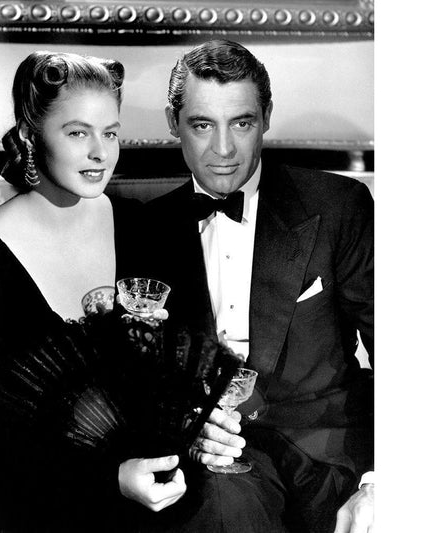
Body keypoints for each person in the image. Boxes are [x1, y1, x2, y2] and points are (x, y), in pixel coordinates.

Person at [0, 50, 222, 532]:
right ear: (30, 136)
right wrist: (112, 479)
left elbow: (184, 386)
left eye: (111, 133)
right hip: (43, 511)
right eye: (78, 133)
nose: (101, 153)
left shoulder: (140, 228)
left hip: (164, 495)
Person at [145, 40, 374, 533]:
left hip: (328, 451)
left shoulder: (339, 206)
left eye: (242, 123)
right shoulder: (145, 230)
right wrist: (188, 428)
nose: (224, 149)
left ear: (266, 117)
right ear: (172, 123)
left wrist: (384, 482)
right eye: (202, 125)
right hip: (216, 458)